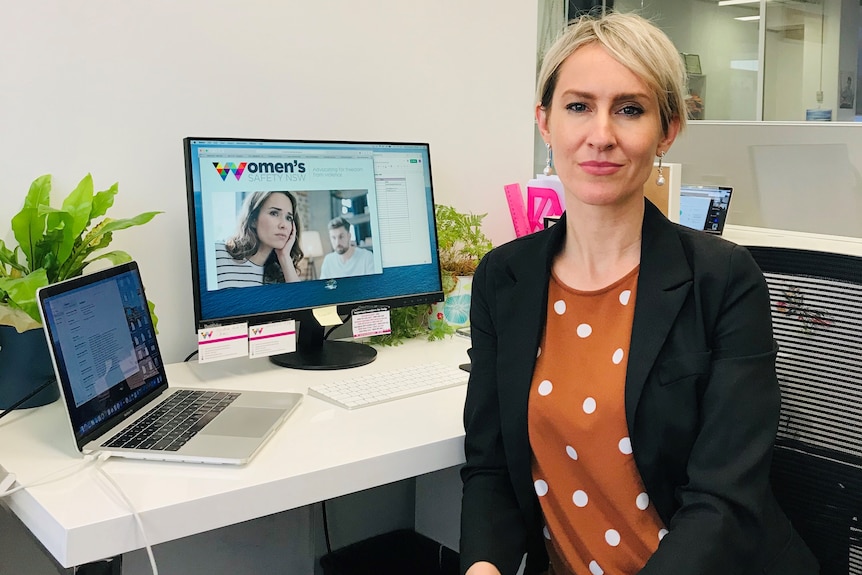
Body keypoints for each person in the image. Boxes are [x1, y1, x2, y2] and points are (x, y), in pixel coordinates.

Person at [460, 12, 818, 575]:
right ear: (545, 123)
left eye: (629, 109)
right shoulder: (503, 279)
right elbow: (491, 467)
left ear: (667, 130)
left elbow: (723, 501)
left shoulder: (722, 279)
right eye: (578, 106)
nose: (601, 135)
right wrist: (484, 565)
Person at [215, 190, 303, 288]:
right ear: (253, 220)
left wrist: (285, 257)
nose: (283, 225)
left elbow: (301, 302)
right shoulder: (217, 253)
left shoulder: (281, 274)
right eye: (274, 213)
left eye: (289, 218)